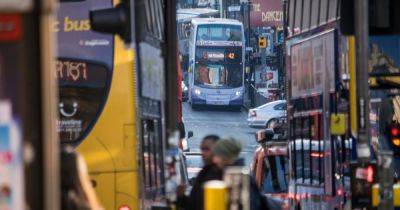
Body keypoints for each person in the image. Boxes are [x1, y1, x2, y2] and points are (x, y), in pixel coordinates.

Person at [212, 138, 270, 210]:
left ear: (226, 156)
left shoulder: (238, 177)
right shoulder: (235, 173)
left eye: (217, 156)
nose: (214, 160)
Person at [176, 135, 221, 210]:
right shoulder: (204, 173)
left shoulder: (221, 173)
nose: (203, 153)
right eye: (202, 149)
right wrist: (181, 196)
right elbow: (193, 204)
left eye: (207, 149)